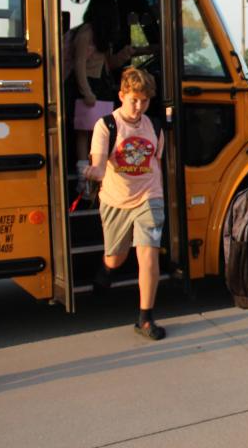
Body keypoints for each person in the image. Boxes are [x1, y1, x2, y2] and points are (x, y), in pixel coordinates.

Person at [84, 68, 167, 340]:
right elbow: (98, 160)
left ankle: (145, 318)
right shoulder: (106, 125)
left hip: (149, 196)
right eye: (134, 100)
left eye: (144, 101)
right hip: (115, 198)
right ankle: (107, 270)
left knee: (148, 253)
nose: (139, 106)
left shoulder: (154, 126)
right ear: (122, 96)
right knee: (116, 257)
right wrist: (96, 171)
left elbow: (156, 160)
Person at [68, 0, 133, 188]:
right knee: (83, 133)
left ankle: (97, 174)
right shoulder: (86, 32)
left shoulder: (102, 34)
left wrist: (124, 55)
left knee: (99, 133)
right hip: (87, 86)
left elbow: (108, 64)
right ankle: (83, 179)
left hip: (100, 86)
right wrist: (86, 91)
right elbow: (79, 64)